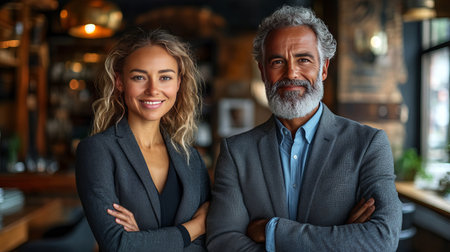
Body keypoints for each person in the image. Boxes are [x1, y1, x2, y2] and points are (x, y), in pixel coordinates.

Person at [206, 5, 402, 252]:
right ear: (263, 72)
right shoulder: (236, 152)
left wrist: (272, 231)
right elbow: (222, 242)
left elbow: (382, 239)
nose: (291, 73)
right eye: (277, 61)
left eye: (304, 59)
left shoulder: (368, 144)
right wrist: (340, 238)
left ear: (324, 69)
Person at [76, 28, 210, 251]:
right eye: (139, 77)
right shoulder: (97, 151)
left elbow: (208, 243)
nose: (153, 90)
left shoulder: (191, 158)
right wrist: (195, 226)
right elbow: (119, 245)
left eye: (165, 77)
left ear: (178, 83)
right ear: (119, 82)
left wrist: (143, 240)